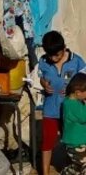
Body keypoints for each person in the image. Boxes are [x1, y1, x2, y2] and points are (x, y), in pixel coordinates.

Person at [42, 31, 86, 175]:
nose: (53, 58)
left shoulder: (77, 61)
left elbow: (83, 81)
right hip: (51, 108)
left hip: (70, 109)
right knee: (47, 142)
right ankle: (45, 172)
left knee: (71, 140)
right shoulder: (43, 61)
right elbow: (41, 77)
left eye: (57, 55)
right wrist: (44, 84)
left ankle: (72, 167)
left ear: (64, 48)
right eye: (50, 55)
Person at [62, 74, 86, 175]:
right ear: (78, 93)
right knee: (83, 165)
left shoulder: (70, 101)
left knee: (79, 167)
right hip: (77, 143)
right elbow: (84, 117)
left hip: (77, 142)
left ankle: (68, 172)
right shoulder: (73, 105)